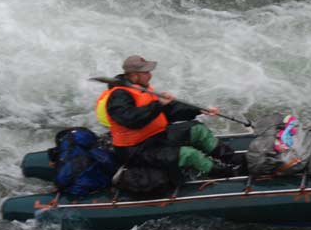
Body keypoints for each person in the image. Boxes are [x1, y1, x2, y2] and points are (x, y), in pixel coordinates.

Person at [95, 55, 241, 183]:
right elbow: (132, 120)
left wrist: (198, 109)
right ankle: (228, 175)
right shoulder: (118, 96)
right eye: (146, 72)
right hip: (136, 151)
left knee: (197, 130)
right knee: (189, 154)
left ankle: (234, 161)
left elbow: (169, 111)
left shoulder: (141, 88)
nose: (150, 75)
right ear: (134, 76)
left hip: (157, 137)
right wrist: (158, 104)